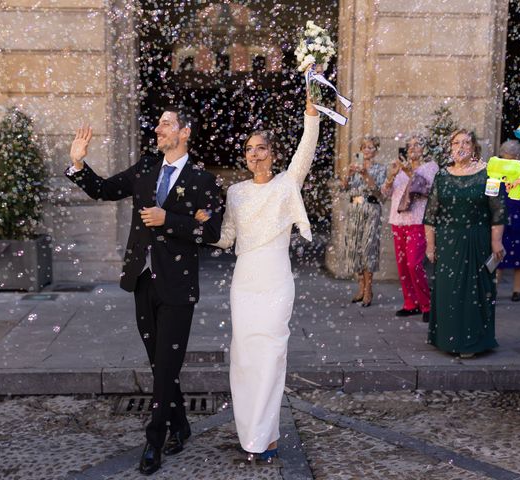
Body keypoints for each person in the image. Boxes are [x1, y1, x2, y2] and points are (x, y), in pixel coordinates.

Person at [65, 107, 222, 475]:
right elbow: (104, 190)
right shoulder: (145, 171)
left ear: (184, 132)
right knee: (160, 364)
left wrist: (172, 221)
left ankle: (155, 440)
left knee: (166, 365)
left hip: (179, 287)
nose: (158, 129)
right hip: (142, 280)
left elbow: (212, 234)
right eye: (159, 124)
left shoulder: (203, 180)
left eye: (166, 124)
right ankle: (180, 423)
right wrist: (77, 165)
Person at [195, 66, 320, 461]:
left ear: (273, 154)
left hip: (276, 280)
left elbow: (307, 150)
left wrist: (311, 112)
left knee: (271, 354)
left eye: (260, 148)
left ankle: (266, 436)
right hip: (244, 281)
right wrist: (199, 225)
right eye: (248, 149)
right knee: (245, 357)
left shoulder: (287, 183)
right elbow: (228, 237)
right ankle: (252, 435)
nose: (253, 154)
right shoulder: (235, 192)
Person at [424, 129, 505, 358]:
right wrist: (431, 245)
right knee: (449, 291)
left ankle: (473, 341)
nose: (461, 146)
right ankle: (447, 339)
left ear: (474, 147)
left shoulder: (488, 174)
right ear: (450, 147)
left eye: (466, 142)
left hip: (478, 240)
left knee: (476, 291)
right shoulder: (442, 176)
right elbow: (431, 214)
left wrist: (496, 241)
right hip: (448, 241)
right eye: (456, 142)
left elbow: (497, 210)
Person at [381, 135, 439, 322]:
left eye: (417, 144)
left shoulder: (430, 167)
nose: (413, 148)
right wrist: (390, 177)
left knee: (414, 264)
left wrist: (407, 171)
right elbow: (386, 193)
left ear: (424, 148)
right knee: (403, 266)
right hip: (398, 221)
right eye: (410, 145)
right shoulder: (399, 170)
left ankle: (427, 304)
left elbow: (424, 189)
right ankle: (410, 303)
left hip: (417, 221)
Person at [340, 135, 387, 306]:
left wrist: (366, 174)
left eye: (371, 147)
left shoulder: (381, 169)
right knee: (354, 249)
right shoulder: (354, 166)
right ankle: (360, 287)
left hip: (371, 209)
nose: (367, 150)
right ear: (360, 150)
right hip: (354, 209)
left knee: (368, 248)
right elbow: (343, 188)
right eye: (364, 147)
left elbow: (378, 192)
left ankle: (369, 290)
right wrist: (348, 174)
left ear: (376, 151)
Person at [496, 139, 520, 301]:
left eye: (511, 159)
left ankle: (517, 290)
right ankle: (493, 288)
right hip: (501, 219)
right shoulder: (497, 176)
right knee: (498, 254)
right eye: (505, 158)